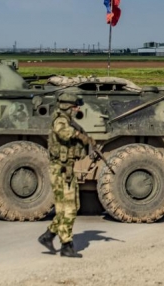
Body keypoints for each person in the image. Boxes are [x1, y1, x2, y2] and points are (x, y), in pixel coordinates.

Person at [37, 92, 95, 258]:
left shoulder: (69, 121)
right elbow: (62, 132)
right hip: (61, 170)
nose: (77, 109)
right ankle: (66, 245)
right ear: (68, 106)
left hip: (67, 169)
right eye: (75, 106)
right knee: (68, 208)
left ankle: (49, 235)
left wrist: (88, 143)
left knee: (72, 206)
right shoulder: (61, 120)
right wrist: (79, 136)